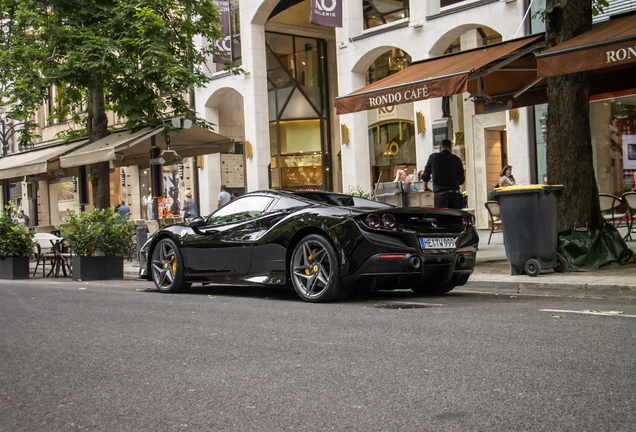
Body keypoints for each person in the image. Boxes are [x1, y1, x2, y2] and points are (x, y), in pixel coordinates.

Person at [421, 139, 465, 208]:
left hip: (440, 196)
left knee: (441, 217)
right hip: (455, 196)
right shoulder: (457, 160)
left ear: (440, 148)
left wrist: (425, 188)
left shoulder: (433, 158)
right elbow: (461, 180)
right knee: (455, 218)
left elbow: (426, 175)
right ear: (451, 149)